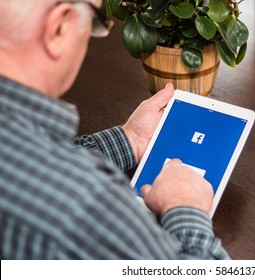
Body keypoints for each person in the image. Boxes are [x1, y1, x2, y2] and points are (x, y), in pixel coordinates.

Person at [0, 0, 229, 259]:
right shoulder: (82, 206)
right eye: (94, 21)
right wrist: (185, 206)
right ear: (59, 27)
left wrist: (129, 139)